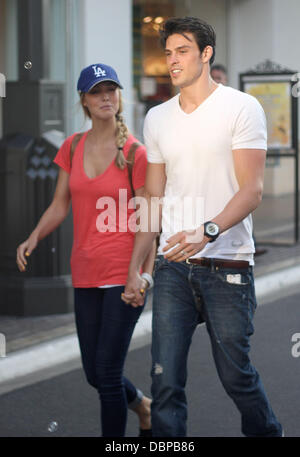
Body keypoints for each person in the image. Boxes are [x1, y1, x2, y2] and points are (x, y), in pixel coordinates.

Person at [122, 17, 283, 437]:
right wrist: (136, 267)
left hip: (227, 264)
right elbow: (153, 198)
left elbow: (252, 191)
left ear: (206, 54)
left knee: (236, 377)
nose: (172, 61)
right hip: (173, 268)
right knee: (166, 381)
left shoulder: (241, 107)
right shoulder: (157, 118)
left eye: (182, 51)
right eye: (169, 53)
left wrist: (205, 231)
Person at [16, 63, 156, 437]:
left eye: (112, 89)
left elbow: (148, 220)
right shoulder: (72, 146)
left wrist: (138, 274)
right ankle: (144, 406)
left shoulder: (136, 152)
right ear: (84, 100)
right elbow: (60, 204)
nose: (106, 97)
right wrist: (34, 236)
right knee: (95, 372)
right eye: (97, 91)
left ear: (120, 96)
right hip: (86, 271)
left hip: (123, 272)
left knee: (108, 374)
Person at [211, 64, 267, 257]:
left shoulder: (238, 107)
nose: (217, 81)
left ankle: (250, 241)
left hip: (236, 177)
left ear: (225, 80)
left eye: (220, 78)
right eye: (214, 77)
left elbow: (253, 191)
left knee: (242, 203)